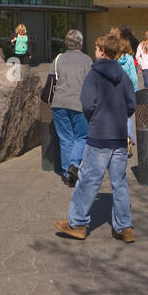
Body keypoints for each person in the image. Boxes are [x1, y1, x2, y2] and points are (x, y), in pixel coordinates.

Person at [54, 30, 136, 243]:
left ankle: (77, 222)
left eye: (97, 48)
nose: (95, 51)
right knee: (119, 182)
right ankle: (124, 227)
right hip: (118, 135)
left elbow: (88, 103)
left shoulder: (94, 74)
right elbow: (131, 104)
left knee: (88, 179)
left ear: (102, 52)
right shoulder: (123, 75)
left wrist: (95, 119)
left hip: (99, 135)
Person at [49, 30, 93, 186]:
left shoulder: (58, 59)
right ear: (80, 43)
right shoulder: (87, 60)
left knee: (65, 138)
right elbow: (91, 84)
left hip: (59, 103)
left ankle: (66, 171)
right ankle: (74, 164)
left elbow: (51, 81)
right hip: (78, 103)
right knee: (81, 136)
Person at [113, 29, 140, 155]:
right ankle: (128, 138)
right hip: (127, 92)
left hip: (115, 91)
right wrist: (134, 92)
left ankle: (118, 138)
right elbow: (133, 78)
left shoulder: (114, 59)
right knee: (128, 117)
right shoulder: (129, 59)